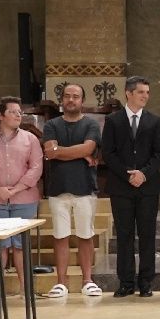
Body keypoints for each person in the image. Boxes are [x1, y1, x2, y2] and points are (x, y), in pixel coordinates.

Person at [102, 76, 160, 298]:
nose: (145, 96)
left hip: (148, 187)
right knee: (124, 235)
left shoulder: (154, 120)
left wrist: (143, 174)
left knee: (147, 235)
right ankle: (126, 282)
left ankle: (146, 282)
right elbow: (108, 154)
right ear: (128, 93)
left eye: (147, 93)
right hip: (122, 186)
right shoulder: (113, 121)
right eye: (141, 92)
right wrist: (128, 174)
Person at [40, 83, 104, 299]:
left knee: (86, 235)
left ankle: (88, 280)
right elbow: (49, 152)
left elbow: (88, 148)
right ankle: (61, 283)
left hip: (84, 187)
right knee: (60, 235)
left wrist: (61, 152)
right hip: (58, 188)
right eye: (67, 96)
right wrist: (77, 153)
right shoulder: (51, 124)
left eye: (75, 96)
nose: (71, 100)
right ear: (62, 100)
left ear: (82, 101)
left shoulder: (91, 124)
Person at [0, 96, 43, 300]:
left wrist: (14, 190)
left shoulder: (30, 139)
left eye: (19, 112)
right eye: (13, 112)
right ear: (0, 115)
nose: (18, 115)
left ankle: (26, 289)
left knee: (21, 245)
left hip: (23, 198)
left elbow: (36, 167)